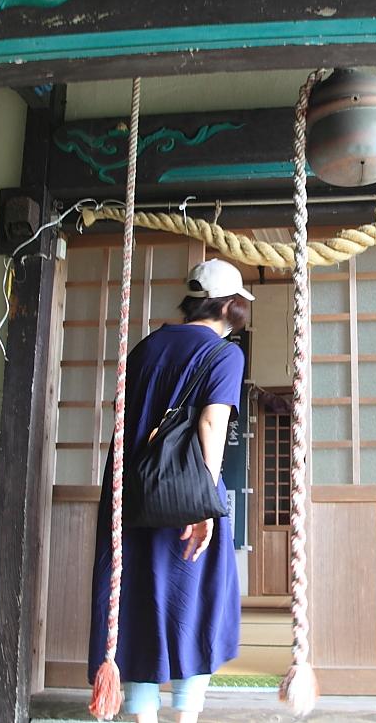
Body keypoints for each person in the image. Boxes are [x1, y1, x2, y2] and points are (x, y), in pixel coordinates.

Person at [88, 258, 252, 723]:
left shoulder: (145, 347)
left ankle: (142, 716)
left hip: (131, 494)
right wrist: (201, 505)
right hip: (186, 498)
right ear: (229, 306)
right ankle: (184, 716)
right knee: (196, 604)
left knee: (136, 602)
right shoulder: (225, 354)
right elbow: (211, 421)